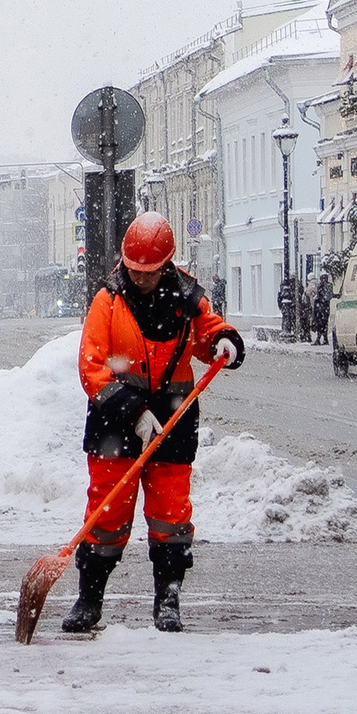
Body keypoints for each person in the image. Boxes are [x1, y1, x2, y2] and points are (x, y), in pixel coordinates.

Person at [65, 214, 244, 636]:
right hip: (115, 422)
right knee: (106, 513)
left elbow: (206, 333)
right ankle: (89, 598)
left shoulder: (188, 298)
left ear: (166, 264)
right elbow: (91, 367)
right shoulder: (108, 301)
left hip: (174, 420)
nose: (140, 278)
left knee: (170, 516)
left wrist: (223, 340)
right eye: (134, 269)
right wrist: (133, 411)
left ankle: (168, 599)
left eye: (149, 271)